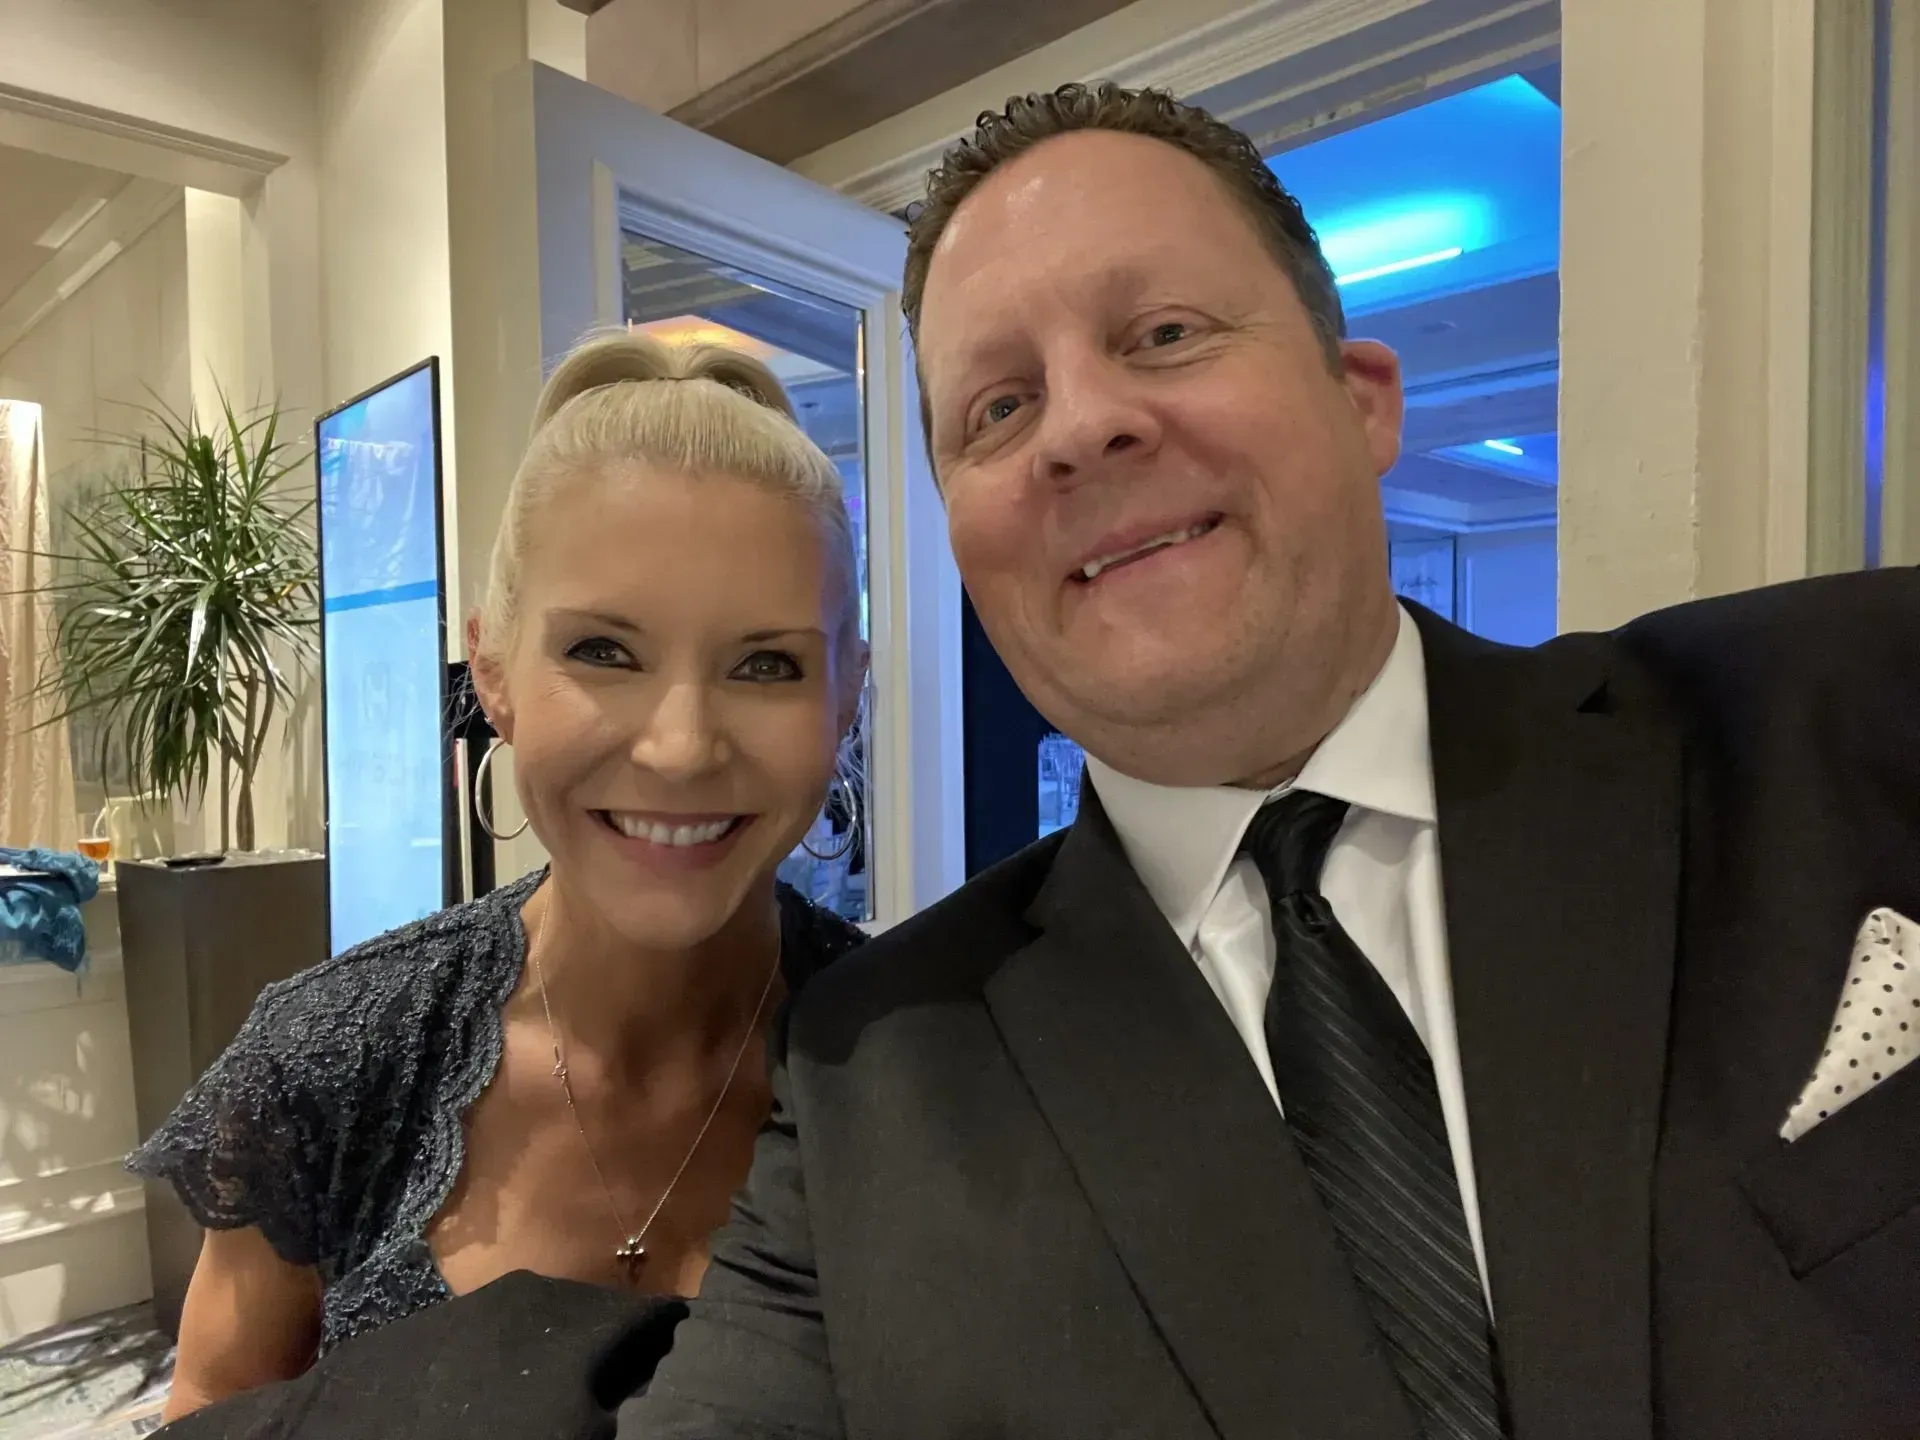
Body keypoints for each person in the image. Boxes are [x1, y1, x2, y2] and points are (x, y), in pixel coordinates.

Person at [612, 84, 1920, 1439]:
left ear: (1362, 403)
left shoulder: (1847, 707)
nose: (1077, 427)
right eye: (998, 409)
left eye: (1164, 333)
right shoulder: (868, 1081)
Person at [130, 331, 870, 1423]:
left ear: (846, 696)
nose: (679, 746)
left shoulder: (913, 1066)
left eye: (768, 664)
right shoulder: (332, 1064)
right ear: (492, 672)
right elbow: (217, 1413)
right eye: (604, 652)